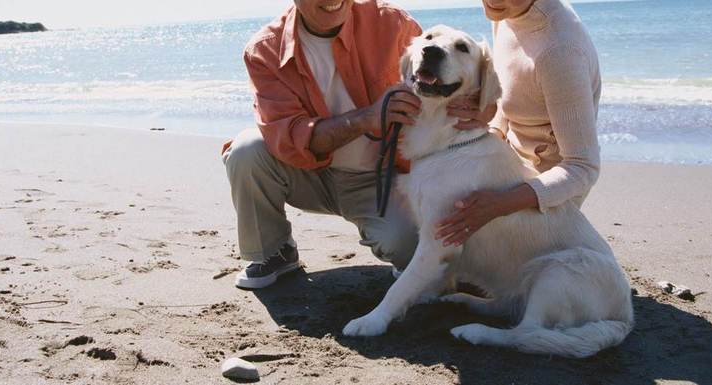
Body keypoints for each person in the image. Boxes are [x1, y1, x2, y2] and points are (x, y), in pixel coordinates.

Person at [222, 0, 423, 289]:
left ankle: (404, 249)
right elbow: (291, 136)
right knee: (246, 151)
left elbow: (439, 95)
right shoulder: (264, 50)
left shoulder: (393, 24)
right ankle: (274, 251)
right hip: (309, 173)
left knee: (413, 248)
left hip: (380, 179)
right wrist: (366, 118)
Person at [436, 0, 602, 246]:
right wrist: (489, 131)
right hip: (508, 160)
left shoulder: (559, 50)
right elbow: (510, 90)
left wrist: (497, 205)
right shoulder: (506, 11)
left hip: (547, 191)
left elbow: (583, 167)